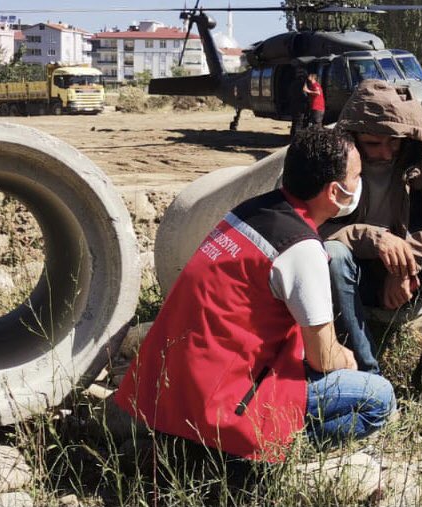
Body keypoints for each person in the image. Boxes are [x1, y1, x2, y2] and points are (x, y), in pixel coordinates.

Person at [114, 128, 395, 461]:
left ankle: (191, 445)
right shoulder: (302, 250)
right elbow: (323, 356)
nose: (360, 182)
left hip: (168, 392)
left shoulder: (248, 211)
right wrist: (347, 359)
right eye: (357, 175)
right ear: (335, 192)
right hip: (222, 401)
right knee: (379, 398)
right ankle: (259, 452)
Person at [320, 80, 422, 425]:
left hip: (410, 266)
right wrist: (374, 238)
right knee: (332, 255)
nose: (385, 152)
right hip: (355, 270)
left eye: (394, 142)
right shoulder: (329, 153)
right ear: (352, 136)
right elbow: (306, 228)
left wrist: (407, 262)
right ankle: (369, 380)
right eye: (373, 143)